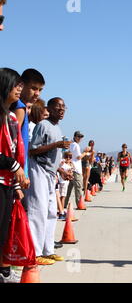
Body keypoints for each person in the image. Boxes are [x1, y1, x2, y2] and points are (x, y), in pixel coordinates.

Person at [25, 97, 71, 266]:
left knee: (52, 212)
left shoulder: (57, 128)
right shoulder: (42, 125)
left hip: (51, 173)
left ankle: (48, 250)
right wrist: (57, 144)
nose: (62, 109)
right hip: (39, 170)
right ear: (49, 109)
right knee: (38, 211)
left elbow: (53, 154)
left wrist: (61, 171)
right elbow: (33, 150)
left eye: (64, 107)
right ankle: (34, 253)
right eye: (58, 106)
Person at [0, 68, 28, 283]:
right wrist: (13, 165)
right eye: (15, 85)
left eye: (20, 85)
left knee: (4, 232)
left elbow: (11, 149)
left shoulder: (10, 116)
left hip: (8, 183)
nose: (20, 89)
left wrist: (17, 184)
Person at [65, 131, 88, 209]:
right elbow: (78, 157)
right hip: (76, 169)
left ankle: (63, 204)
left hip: (71, 168)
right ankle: (79, 204)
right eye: (78, 137)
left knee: (69, 188)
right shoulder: (76, 145)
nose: (80, 138)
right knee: (78, 187)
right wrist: (85, 152)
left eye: (81, 137)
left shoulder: (71, 144)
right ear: (75, 136)